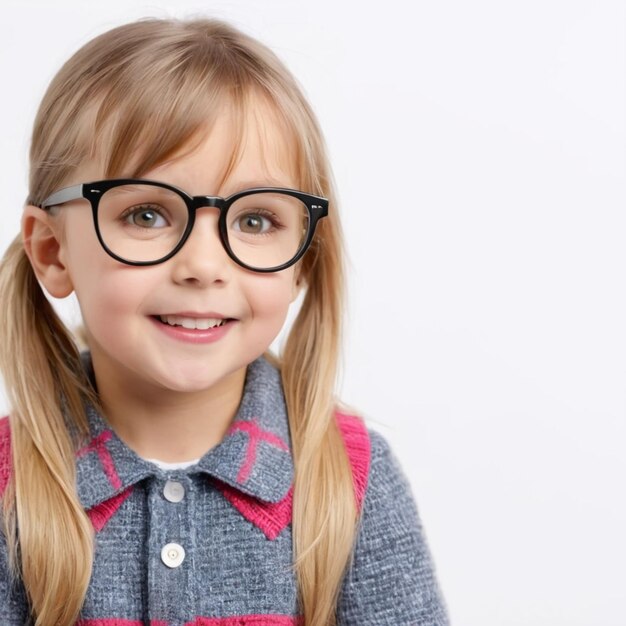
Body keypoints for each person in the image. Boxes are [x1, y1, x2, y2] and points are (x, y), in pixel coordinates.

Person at [0, 17, 449, 626]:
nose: (204, 266)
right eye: (148, 214)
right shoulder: (11, 490)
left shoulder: (351, 479)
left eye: (256, 220)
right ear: (53, 252)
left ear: (303, 260)